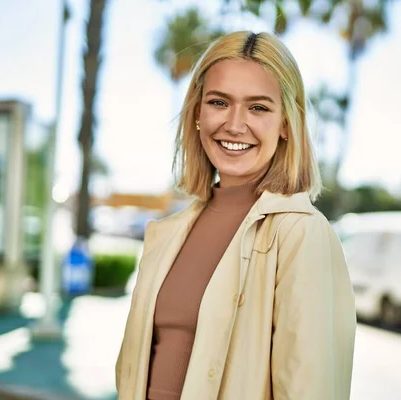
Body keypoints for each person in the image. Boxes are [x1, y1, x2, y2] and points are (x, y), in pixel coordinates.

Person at [115, 30, 356, 400]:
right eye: (219, 102)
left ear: (287, 125)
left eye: (258, 107)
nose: (234, 124)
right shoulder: (169, 233)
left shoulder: (301, 234)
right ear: (198, 113)